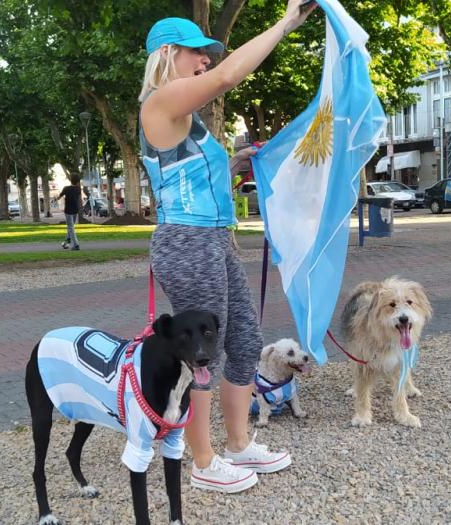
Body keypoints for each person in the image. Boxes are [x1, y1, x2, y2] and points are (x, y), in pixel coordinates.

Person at [139, 1, 316, 494]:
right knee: (203, 356)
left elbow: (190, 176)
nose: (206, 62)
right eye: (197, 53)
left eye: (209, 54)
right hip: (187, 242)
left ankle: (238, 446)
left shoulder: (185, 119)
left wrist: (237, 161)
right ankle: (202, 461)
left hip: (213, 239)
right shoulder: (159, 102)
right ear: (168, 54)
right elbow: (227, 78)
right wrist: (284, 22)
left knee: (242, 340)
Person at [56, 175, 83, 250]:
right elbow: (78, 198)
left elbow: (59, 197)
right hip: (75, 210)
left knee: (70, 227)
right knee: (71, 227)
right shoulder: (78, 189)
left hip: (68, 210)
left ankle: (76, 245)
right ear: (77, 182)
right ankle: (66, 242)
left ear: (70, 180)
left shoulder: (66, 188)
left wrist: (57, 198)